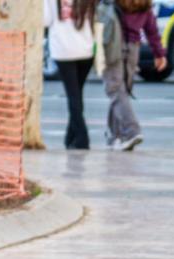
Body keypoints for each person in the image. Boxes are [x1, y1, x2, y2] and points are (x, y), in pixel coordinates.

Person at [100, 0, 167, 151]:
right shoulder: (144, 4)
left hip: (112, 45)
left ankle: (131, 131)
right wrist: (159, 53)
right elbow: (151, 29)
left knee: (115, 90)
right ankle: (114, 136)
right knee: (120, 92)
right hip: (133, 49)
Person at [44, 0, 98, 150]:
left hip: (63, 50)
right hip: (86, 49)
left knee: (73, 96)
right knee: (77, 95)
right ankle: (70, 138)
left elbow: (45, 20)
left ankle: (82, 138)